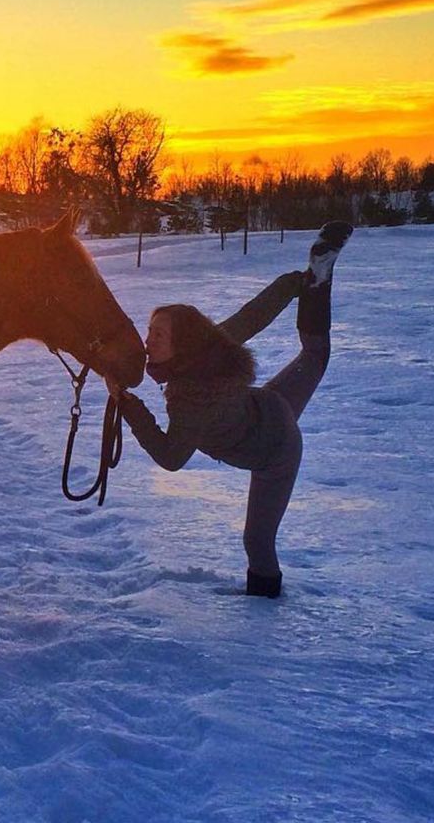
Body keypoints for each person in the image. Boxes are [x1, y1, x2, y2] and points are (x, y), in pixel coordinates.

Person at [116, 222, 353, 598]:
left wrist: (129, 407)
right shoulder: (209, 348)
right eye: (150, 331)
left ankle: (263, 610)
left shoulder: (190, 400)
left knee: (257, 542)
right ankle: (318, 280)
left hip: (276, 450)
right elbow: (253, 315)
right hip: (269, 405)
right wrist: (294, 284)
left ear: (182, 343)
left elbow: (171, 457)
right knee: (314, 356)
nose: (148, 342)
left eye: (158, 335)